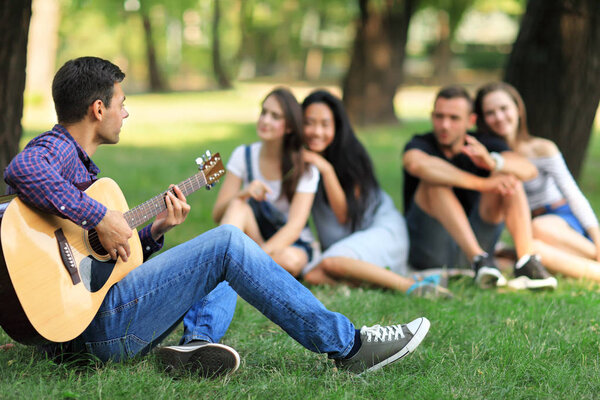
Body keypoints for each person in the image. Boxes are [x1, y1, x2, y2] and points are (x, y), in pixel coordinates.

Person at [3, 56, 430, 378]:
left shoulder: (80, 168)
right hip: (95, 332)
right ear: (98, 109)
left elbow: (96, 267)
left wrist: (151, 233)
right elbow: (23, 170)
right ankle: (352, 348)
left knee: (224, 251)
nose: (126, 113)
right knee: (227, 240)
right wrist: (100, 216)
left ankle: (198, 345)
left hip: (74, 325)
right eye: (122, 103)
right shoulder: (56, 149)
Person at [402, 85, 557, 290]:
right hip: (430, 248)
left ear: (471, 120)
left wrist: (493, 163)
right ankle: (478, 260)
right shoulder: (421, 143)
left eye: (454, 118)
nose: (445, 125)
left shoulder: (484, 144)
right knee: (432, 182)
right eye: (439, 116)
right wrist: (483, 184)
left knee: (508, 178)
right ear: (432, 116)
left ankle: (526, 261)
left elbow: (528, 169)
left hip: (479, 239)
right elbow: (416, 164)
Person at [299, 90, 451, 298]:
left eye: (325, 124)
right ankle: (400, 282)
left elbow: (344, 217)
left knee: (330, 263)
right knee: (312, 275)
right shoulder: (299, 159)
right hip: (349, 246)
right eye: (309, 123)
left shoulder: (351, 155)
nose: (316, 131)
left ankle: (410, 287)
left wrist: (326, 170)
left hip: (382, 232)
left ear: (337, 126)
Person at [474, 82, 600, 282]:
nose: (498, 117)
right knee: (532, 250)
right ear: (482, 119)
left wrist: (597, 237)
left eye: (504, 108)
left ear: (518, 109)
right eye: (490, 112)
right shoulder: (484, 154)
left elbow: (573, 194)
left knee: (538, 228)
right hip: (529, 232)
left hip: (561, 221)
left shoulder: (541, 148)